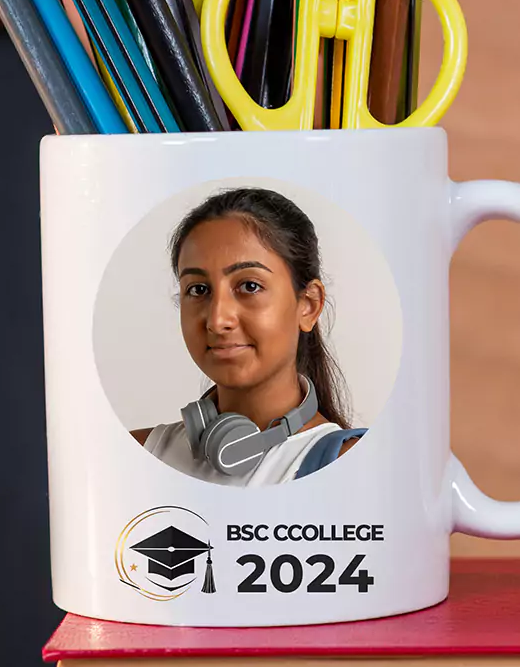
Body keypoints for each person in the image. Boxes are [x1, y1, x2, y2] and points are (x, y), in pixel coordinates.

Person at [133, 187, 364, 485]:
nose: (217, 320)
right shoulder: (134, 456)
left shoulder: (353, 466)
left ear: (308, 305)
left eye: (250, 286)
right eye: (198, 289)